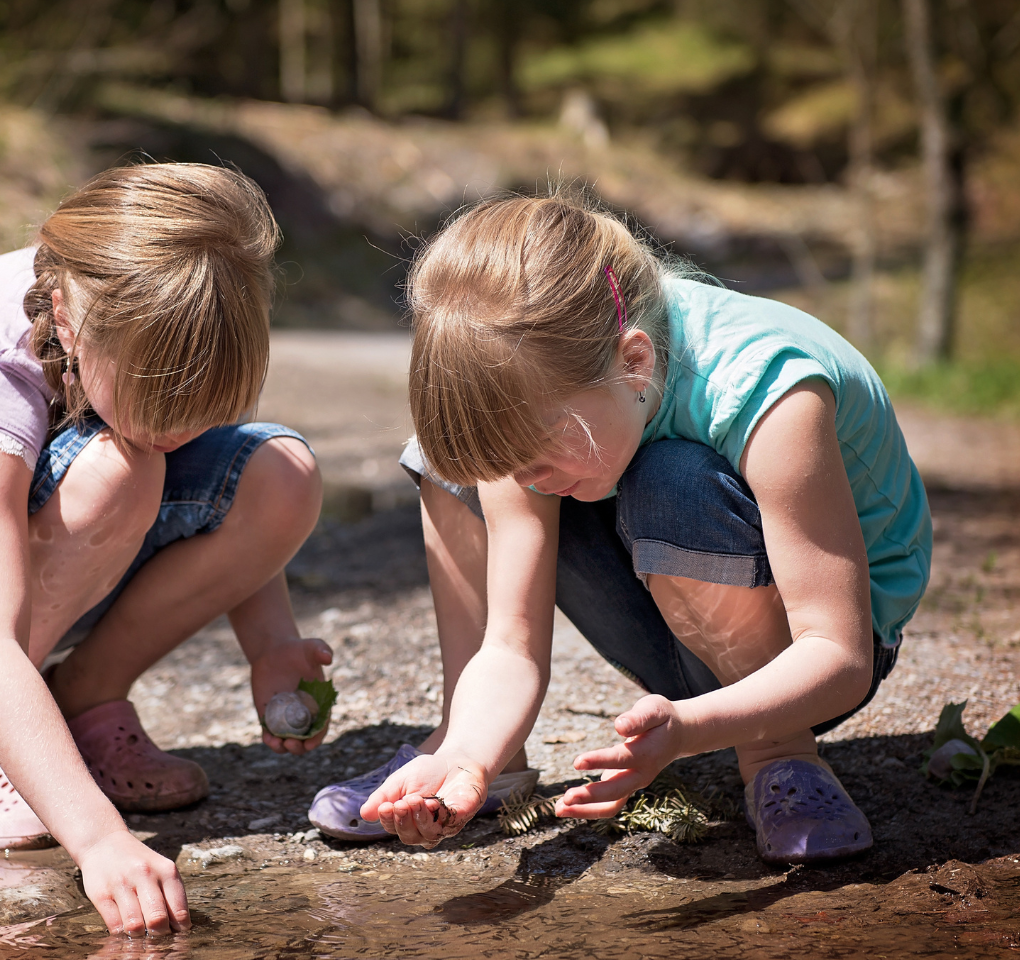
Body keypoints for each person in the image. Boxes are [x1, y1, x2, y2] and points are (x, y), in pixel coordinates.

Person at [0, 163, 331, 934]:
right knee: (123, 465)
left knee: (278, 473)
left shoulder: (157, 316)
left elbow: (217, 477)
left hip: (59, 535)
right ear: (66, 318)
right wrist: (99, 839)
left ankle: (87, 697)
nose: (182, 432)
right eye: (164, 406)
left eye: (204, 412)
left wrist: (273, 644)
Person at [336, 192, 929, 864]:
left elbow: (840, 658)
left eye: (542, 453)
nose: (529, 481)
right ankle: (476, 745)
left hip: (808, 662)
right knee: (453, 458)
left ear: (636, 361)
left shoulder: (767, 389)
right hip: (681, 635)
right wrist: (467, 756)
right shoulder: (548, 399)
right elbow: (510, 644)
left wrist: (688, 729)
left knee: (669, 480)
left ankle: (778, 756)